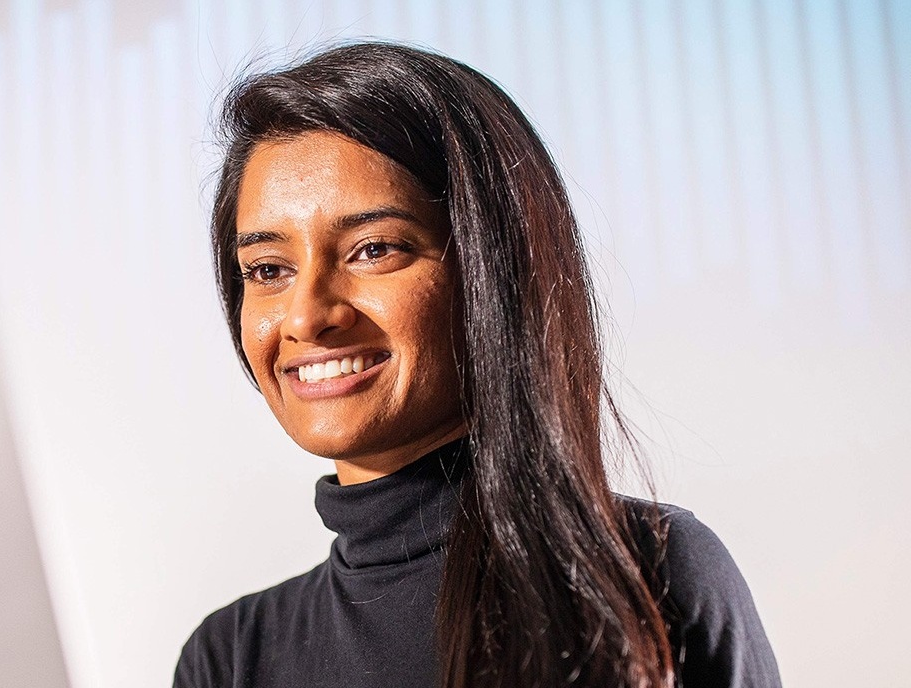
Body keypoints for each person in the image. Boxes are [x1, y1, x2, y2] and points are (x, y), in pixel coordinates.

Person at [174, 42, 780, 688]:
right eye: (269, 270)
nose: (305, 315)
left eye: (373, 250)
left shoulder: (652, 578)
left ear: (491, 273)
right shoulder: (230, 661)